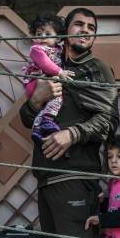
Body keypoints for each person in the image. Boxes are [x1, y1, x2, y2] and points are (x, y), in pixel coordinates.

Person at [18, 7, 119, 238]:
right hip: (46, 174)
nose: (85, 30)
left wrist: (72, 134)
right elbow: (25, 117)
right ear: (65, 31)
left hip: (77, 173)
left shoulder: (97, 70)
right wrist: (37, 99)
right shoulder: (49, 66)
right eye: (79, 24)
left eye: (92, 27)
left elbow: (108, 121)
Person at [22, 14, 76, 143]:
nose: (42, 38)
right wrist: (60, 72)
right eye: (39, 34)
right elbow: (45, 64)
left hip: (45, 80)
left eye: (47, 34)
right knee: (57, 95)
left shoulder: (59, 49)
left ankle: (37, 129)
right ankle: (46, 120)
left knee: (51, 100)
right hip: (35, 82)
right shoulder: (37, 49)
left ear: (58, 38)